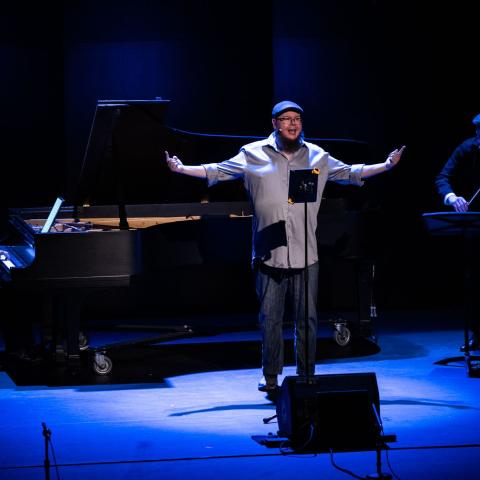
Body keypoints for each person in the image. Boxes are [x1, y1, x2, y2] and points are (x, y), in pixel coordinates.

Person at [165, 100, 405, 392]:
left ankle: (306, 375)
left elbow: (352, 173)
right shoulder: (252, 154)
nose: (293, 124)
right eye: (287, 119)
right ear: (275, 123)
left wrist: (386, 165)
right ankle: (270, 378)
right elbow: (215, 170)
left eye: (298, 119)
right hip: (269, 253)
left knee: (308, 320)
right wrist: (181, 170)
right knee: (270, 320)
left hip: (306, 253)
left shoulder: (317, 156)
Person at [435, 113, 480, 351]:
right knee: (474, 280)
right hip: (474, 224)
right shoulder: (468, 149)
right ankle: (477, 334)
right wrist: (452, 197)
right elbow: (443, 177)